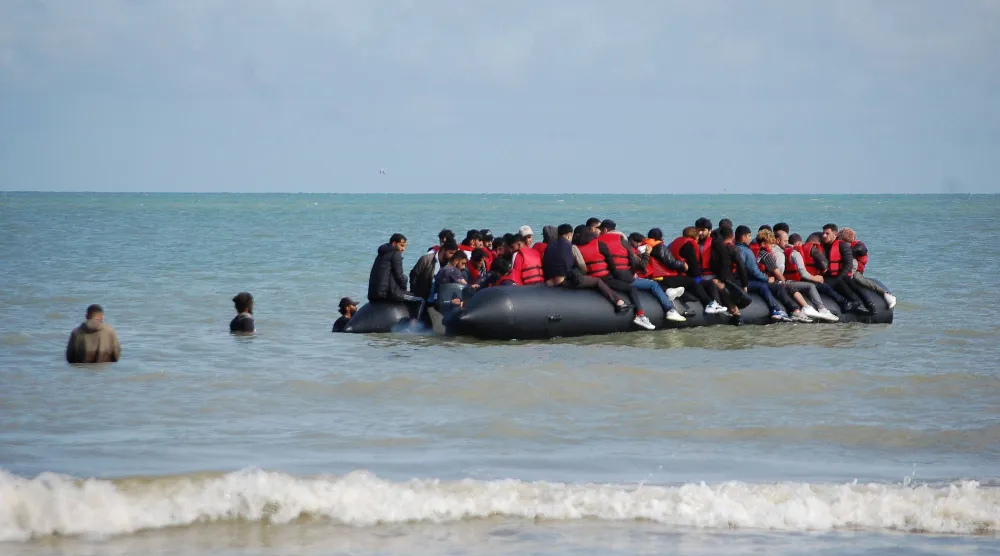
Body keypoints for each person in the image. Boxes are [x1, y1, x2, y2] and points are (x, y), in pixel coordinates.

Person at [543, 223, 628, 312]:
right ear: (569, 235)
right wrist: (583, 274)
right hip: (563, 281)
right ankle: (619, 301)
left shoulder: (549, 246)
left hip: (550, 282)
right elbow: (582, 265)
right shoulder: (571, 247)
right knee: (597, 281)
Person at [755, 230, 814, 322]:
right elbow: (777, 273)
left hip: (759, 281)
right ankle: (795, 311)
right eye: (770, 244)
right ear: (763, 244)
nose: (772, 246)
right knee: (783, 286)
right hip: (766, 282)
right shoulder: (767, 255)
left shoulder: (758, 253)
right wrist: (783, 281)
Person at [735, 225, 792, 321]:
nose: (750, 238)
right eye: (749, 236)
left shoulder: (732, 247)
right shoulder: (746, 251)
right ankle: (775, 309)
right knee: (762, 286)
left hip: (732, 281)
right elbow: (754, 271)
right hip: (740, 282)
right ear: (743, 237)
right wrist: (767, 279)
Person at [838, 227, 897, 309]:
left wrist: (846, 251)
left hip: (856, 271)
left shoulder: (858, 245)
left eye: (844, 241)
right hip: (843, 270)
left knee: (858, 279)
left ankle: (885, 294)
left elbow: (861, 250)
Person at [821, 224, 873, 315]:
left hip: (842, 275)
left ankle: (861, 304)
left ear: (835, 235)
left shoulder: (842, 246)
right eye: (823, 233)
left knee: (843, 282)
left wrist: (839, 278)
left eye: (827, 233)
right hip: (831, 275)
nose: (824, 235)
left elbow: (849, 264)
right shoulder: (824, 246)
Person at [368, 233, 413, 303]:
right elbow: (399, 276)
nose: (403, 249)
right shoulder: (396, 253)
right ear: (394, 243)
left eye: (405, 246)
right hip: (387, 294)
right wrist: (404, 289)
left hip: (373, 294)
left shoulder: (382, 253)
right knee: (420, 300)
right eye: (401, 245)